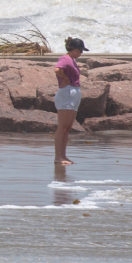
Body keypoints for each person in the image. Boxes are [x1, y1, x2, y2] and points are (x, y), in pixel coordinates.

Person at [54, 37, 87, 166]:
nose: (81, 53)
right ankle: (58, 157)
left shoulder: (72, 60)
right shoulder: (65, 58)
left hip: (73, 92)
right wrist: (65, 79)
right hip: (66, 93)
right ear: (72, 49)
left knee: (67, 127)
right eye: (79, 50)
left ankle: (63, 155)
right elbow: (57, 69)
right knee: (62, 127)